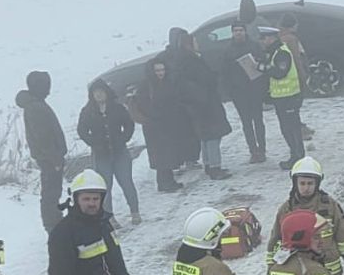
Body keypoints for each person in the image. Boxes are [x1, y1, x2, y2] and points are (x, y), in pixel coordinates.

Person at [166, 28, 233, 180]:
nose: (198, 43)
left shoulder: (185, 59)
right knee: (213, 135)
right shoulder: (190, 61)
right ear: (188, 45)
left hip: (199, 104)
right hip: (205, 104)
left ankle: (209, 164)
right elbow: (201, 80)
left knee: (206, 135)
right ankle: (215, 167)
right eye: (195, 41)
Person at [76, 79, 141, 223]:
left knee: (127, 182)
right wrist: (94, 143)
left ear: (106, 93)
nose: (98, 96)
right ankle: (109, 218)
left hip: (120, 153)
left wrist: (124, 138)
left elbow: (129, 124)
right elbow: (82, 130)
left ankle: (135, 212)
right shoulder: (88, 111)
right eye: (95, 93)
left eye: (101, 92)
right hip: (101, 156)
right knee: (104, 187)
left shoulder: (117, 108)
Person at [127, 58, 191, 192]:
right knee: (161, 155)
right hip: (154, 126)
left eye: (162, 70)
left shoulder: (166, 83)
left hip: (166, 124)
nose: (160, 73)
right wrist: (158, 115)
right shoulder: (146, 86)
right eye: (157, 70)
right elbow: (145, 105)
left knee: (167, 153)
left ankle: (168, 181)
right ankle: (164, 183)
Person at [16, 70, 68, 232]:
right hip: (49, 159)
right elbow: (43, 137)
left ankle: (54, 222)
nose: (48, 89)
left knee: (52, 192)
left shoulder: (35, 104)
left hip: (48, 158)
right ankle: (53, 225)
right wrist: (55, 159)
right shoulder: (35, 107)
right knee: (51, 193)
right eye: (45, 85)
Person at [219, 23, 268, 164]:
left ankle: (262, 149)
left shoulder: (254, 46)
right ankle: (253, 150)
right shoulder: (227, 50)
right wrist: (227, 91)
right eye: (235, 31)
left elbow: (264, 64)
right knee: (246, 122)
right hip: (238, 92)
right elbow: (224, 72)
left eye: (241, 30)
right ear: (232, 33)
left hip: (254, 89)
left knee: (258, 120)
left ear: (245, 32)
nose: (238, 33)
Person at [259, 28, 305, 170]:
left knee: (292, 128)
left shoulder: (282, 53)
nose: (262, 41)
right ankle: (295, 155)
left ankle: (298, 157)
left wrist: (264, 67)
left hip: (289, 97)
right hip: (280, 97)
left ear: (271, 38)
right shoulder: (273, 52)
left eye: (264, 38)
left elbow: (280, 73)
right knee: (286, 128)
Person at [278, 14, 316, 141]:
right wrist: (303, 74)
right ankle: (299, 130)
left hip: (286, 79)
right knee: (295, 106)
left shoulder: (280, 37)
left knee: (291, 107)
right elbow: (296, 57)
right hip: (294, 77)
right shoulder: (291, 39)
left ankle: (299, 127)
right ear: (293, 25)